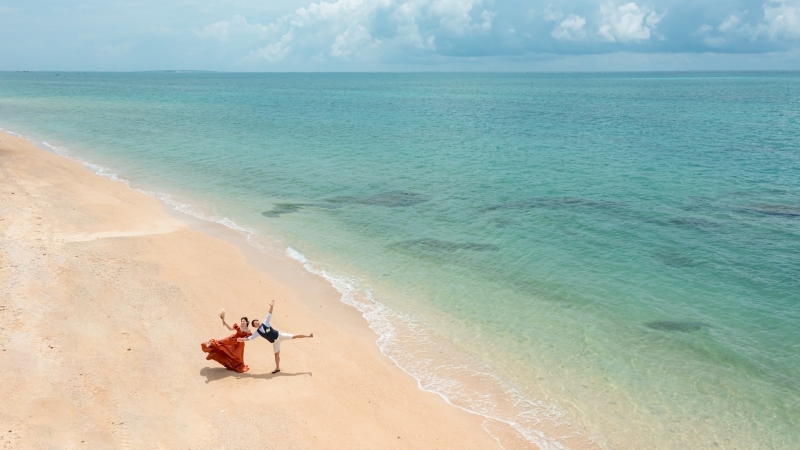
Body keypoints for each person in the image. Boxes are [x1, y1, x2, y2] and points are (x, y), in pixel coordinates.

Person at [239, 300, 312, 374]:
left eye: (256, 321)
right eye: (255, 323)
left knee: (294, 336)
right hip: (275, 342)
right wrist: (242, 339)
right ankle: (277, 368)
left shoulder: (265, 322)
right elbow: (251, 338)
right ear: (255, 326)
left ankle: (308, 335)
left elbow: (269, 314)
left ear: (258, 321)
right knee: (276, 354)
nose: (256, 323)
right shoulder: (258, 332)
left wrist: (271, 306)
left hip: (280, 335)